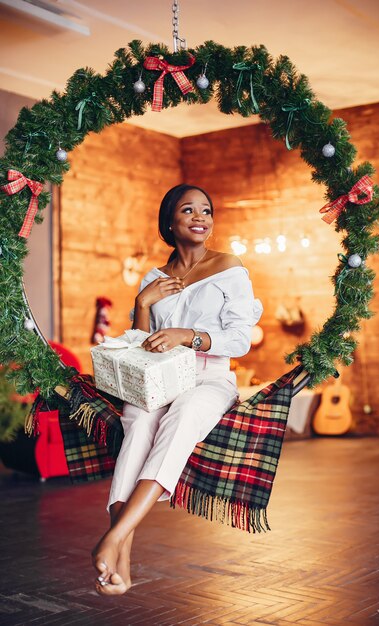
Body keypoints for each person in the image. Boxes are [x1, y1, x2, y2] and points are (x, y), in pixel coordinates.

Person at [92, 183, 263, 595]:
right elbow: (140, 344)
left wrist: (189, 335)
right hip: (159, 379)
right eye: (189, 210)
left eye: (206, 210)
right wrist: (143, 303)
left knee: (184, 416)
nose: (200, 217)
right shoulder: (154, 278)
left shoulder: (229, 267)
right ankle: (124, 559)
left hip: (210, 379)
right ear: (170, 221)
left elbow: (242, 337)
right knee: (136, 424)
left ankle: (113, 539)